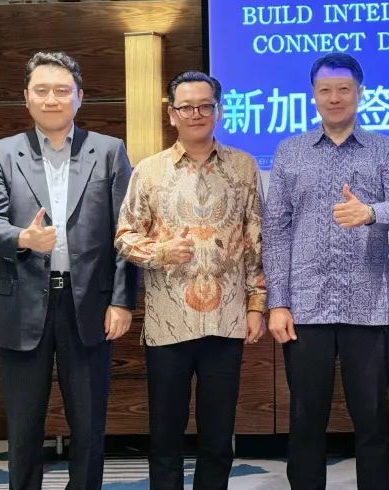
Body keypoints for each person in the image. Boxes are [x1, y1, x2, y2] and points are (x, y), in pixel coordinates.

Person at [0, 51, 137, 490]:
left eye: (62, 91)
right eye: (41, 90)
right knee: (24, 425)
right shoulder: (1, 153)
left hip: (89, 306)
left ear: (79, 97)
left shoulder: (109, 151)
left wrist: (122, 301)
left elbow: (127, 232)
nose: (51, 99)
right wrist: (23, 238)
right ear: (26, 97)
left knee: (89, 423)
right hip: (23, 304)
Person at [262, 53, 389, 490]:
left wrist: (369, 212)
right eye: (325, 90)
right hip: (305, 309)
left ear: (359, 93)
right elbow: (276, 230)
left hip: (368, 309)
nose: (334, 98)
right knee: (305, 421)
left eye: (343, 89)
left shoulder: (386, 149)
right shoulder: (290, 151)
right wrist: (278, 302)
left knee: (373, 421)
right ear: (313, 95)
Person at [114, 70, 266, 490]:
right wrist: (159, 252)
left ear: (218, 111)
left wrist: (256, 305)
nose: (196, 113)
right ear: (172, 114)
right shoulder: (149, 171)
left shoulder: (243, 167)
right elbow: (124, 236)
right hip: (168, 324)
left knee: (218, 437)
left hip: (227, 321)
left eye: (205, 106)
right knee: (165, 436)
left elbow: (255, 241)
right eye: (186, 107)